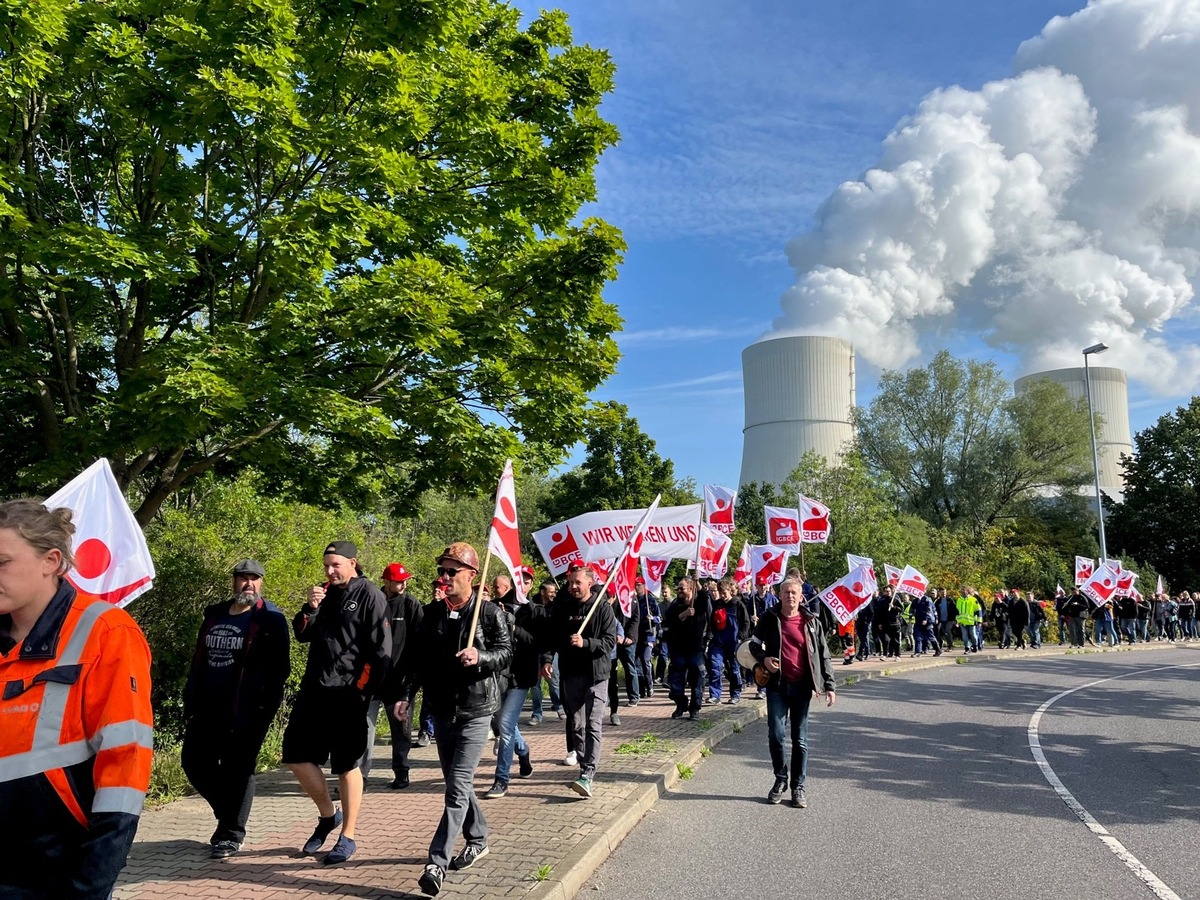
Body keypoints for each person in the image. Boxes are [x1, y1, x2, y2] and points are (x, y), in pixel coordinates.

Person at [0, 499, 154, 899]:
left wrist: (90, 885)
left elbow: (125, 767)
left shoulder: (106, 632)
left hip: (56, 872)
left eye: (2, 562)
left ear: (51, 561)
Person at [397, 542, 511, 896]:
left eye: (451, 571)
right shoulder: (431, 614)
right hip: (441, 709)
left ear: (471, 576)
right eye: (441, 571)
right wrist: (406, 694)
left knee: (457, 785)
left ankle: (436, 863)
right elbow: (417, 661)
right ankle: (478, 838)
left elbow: (506, 654)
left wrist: (481, 656)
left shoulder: (489, 613)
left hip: (476, 710)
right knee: (456, 783)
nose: (443, 577)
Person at [283, 540, 391, 865]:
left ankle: (348, 836)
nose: (330, 572)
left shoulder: (370, 594)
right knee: (295, 756)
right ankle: (329, 816)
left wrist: (362, 691)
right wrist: (310, 608)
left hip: (348, 694)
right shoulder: (325, 594)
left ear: (353, 563)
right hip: (314, 690)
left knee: (346, 764)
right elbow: (302, 633)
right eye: (326, 566)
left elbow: (382, 651)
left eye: (336, 566)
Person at [182, 558, 291, 858]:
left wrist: (263, 707)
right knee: (193, 762)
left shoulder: (271, 618)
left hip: (247, 710)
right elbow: (199, 657)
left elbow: (281, 669)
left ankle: (231, 834)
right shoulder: (214, 614)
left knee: (239, 770)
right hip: (206, 706)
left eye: (254, 579)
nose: (248, 584)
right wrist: (190, 697)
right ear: (234, 582)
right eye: (243, 578)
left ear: (261, 583)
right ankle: (228, 815)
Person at [749, 577, 836, 809]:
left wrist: (829, 684)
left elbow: (823, 654)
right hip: (777, 687)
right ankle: (780, 779)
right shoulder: (769, 617)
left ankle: (798, 786)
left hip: (801, 687)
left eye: (794, 592)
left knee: (800, 740)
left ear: (801, 596)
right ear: (779, 594)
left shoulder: (811, 621)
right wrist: (764, 658)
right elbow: (753, 645)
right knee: (776, 736)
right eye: (786, 592)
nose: (790, 596)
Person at [540, 562, 617, 799]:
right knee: (576, 724)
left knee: (593, 724)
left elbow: (609, 642)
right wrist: (546, 659)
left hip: (596, 675)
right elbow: (550, 637)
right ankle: (583, 763)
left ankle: (588, 773)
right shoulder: (563, 608)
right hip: (571, 673)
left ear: (590, 583)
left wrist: (586, 643)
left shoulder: (602, 608)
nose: (572, 586)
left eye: (577, 582)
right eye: (570, 582)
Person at [485, 571, 544, 799]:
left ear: (530, 585)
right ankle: (524, 751)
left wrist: (514, 628)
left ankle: (501, 779)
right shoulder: (495, 607)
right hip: (498, 674)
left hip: (521, 676)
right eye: (520, 580)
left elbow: (538, 642)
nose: (524, 584)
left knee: (506, 725)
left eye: (527, 581)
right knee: (501, 723)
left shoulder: (536, 611)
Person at [366, 562, 424, 789]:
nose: (402, 584)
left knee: (401, 727)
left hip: (399, 679)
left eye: (404, 580)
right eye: (398, 580)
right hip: (372, 677)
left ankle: (401, 771)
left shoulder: (411, 604)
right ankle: (359, 775)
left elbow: (420, 642)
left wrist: (410, 680)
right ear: (386, 581)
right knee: (364, 727)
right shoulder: (374, 601)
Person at [664, 576, 711, 719]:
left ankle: (694, 709)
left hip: (695, 650)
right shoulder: (675, 605)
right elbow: (669, 621)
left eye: (682, 588)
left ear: (691, 589)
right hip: (678, 650)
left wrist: (697, 582)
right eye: (677, 588)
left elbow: (704, 596)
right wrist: (683, 614)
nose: (678, 591)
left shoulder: (699, 603)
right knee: (675, 683)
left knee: (697, 680)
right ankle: (681, 704)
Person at [608, 579, 641, 724]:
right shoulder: (610, 597)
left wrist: (629, 636)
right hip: (612, 642)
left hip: (627, 640)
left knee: (630, 668)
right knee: (610, 674)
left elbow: (635, 618)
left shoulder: (631, 598)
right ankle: (607, 700)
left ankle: (634, 695)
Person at [635, 577, 661, 698]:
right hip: (636, 635)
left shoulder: (650, 600)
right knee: (636, 663)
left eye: (639, 585)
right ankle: (640, 689)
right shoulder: (633, 600)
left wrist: (653, 619)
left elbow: (660, 618)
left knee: (645, 661)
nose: (637, 587)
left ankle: (649, 685)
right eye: (635, 585)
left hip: (648, 635)